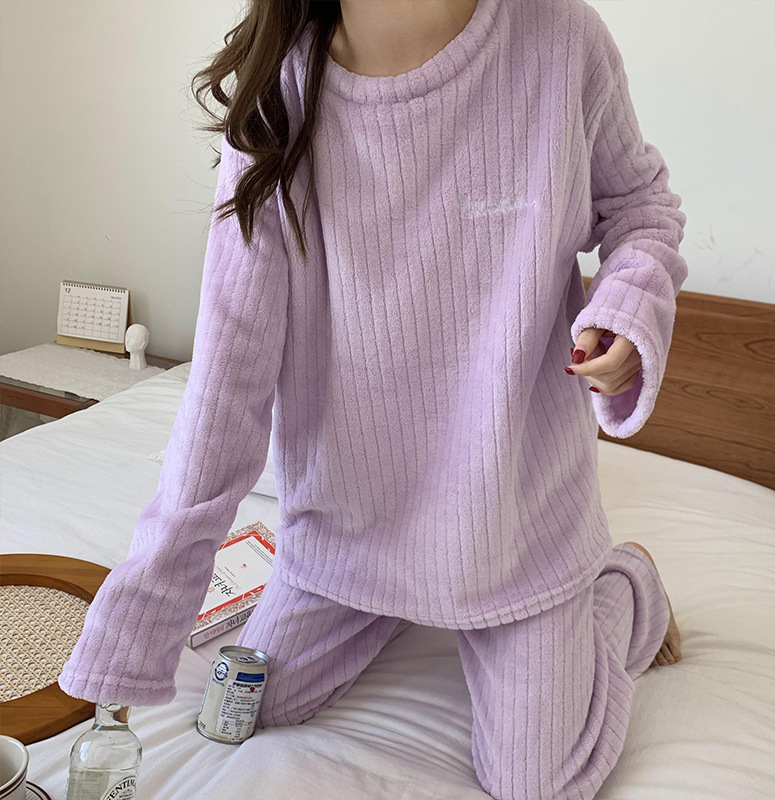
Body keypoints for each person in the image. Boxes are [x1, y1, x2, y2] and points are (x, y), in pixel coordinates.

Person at [59, 0, 687, 797]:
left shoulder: (562, 40)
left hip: (516, 530)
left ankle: (626, 588)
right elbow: (227, 386)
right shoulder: (279, 98)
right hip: (349, 535)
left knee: (540, 782)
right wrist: (138, 620)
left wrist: (627, 305)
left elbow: (640, 209)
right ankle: (388, 604)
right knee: (248, 706)